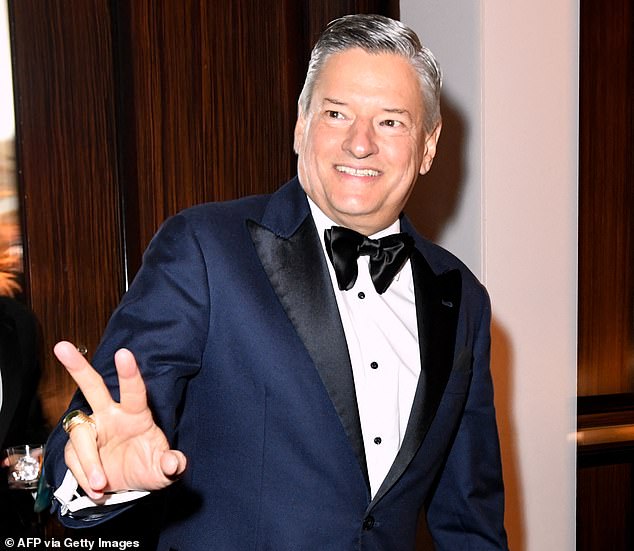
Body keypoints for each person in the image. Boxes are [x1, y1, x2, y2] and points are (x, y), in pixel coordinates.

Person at [44, 14, 509, 550]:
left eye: (390, 122)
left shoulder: (464, 298)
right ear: (300, 124)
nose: (360, 143)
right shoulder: (203, 249)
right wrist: (96, 475)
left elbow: (470, 520)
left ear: (427, 146)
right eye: (336, 113)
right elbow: (106, 418)